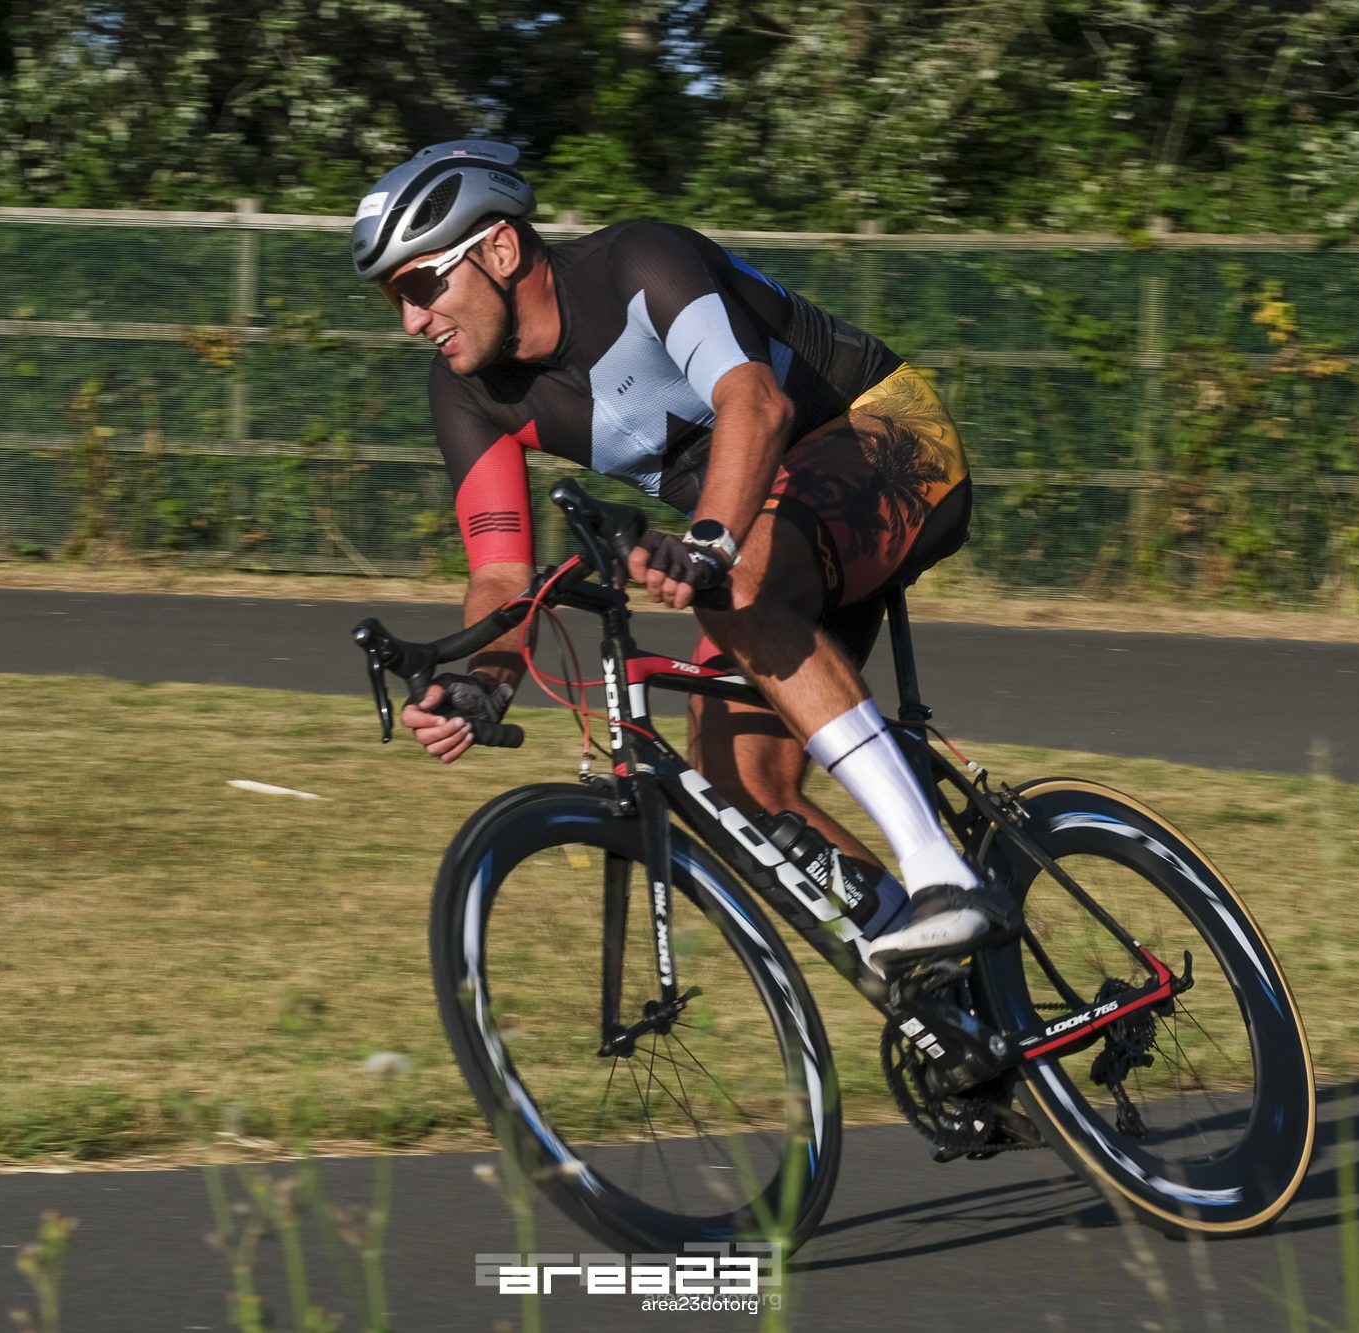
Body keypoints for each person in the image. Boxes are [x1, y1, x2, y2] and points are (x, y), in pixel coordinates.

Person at [350, 140, 1018, 969]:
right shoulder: (462, 391)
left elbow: (755, 401)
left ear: (502, 249)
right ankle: (943, 990)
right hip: (762, 528)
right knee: (732, 783)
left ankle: (943, 877)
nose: (412, 320)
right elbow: (500, 572)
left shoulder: (637, 261)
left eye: (421, 286)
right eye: (394, 298)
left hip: (888, 435)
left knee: (735, 586)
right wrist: (483, 678)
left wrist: (709, 543)